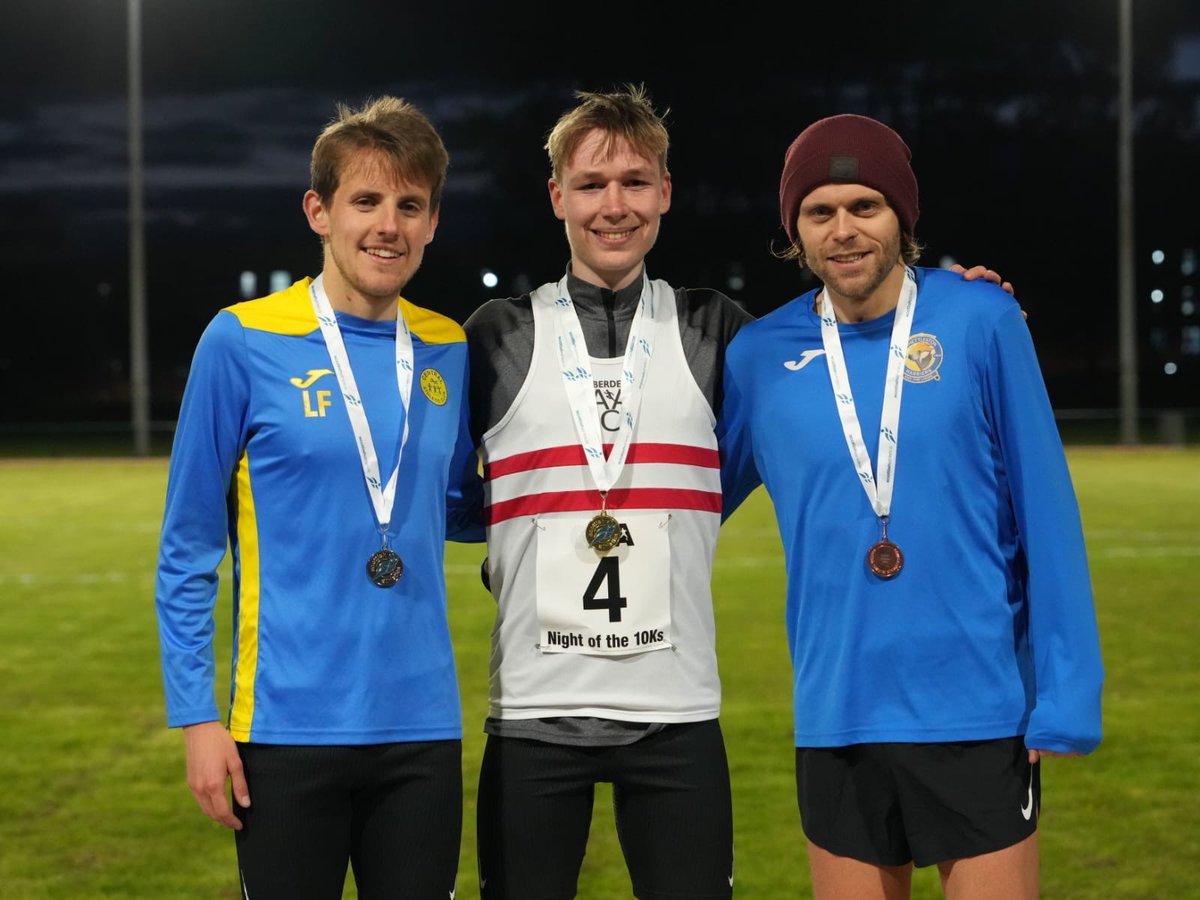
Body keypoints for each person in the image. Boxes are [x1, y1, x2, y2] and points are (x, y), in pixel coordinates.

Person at [717, 113, 1105, 900]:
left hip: (977, 710)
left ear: (904, 217)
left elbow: (1048, 513)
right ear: (794, 230)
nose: (845, 230)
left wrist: (1065, 696)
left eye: (867, 206)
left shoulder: (981, 321)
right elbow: (686, 502)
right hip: (837, 716)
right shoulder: (759, 357)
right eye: (820, 213)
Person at [154, 96, 481, 899]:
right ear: (319, 212)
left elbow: (456, 504)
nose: (388, 226)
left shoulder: (450, 346)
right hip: (284, 727)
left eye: (410, 205)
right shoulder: (240, 340)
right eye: (366, 201)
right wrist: (198, 718)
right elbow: (188, 548)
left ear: (433, 221)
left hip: (421, 729)